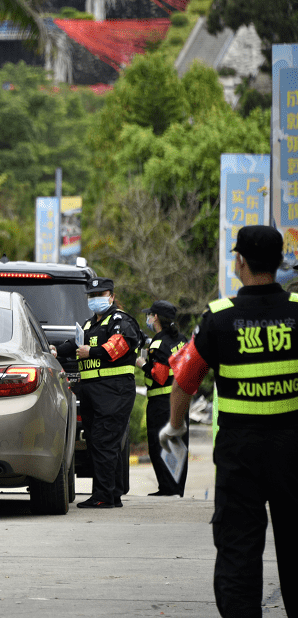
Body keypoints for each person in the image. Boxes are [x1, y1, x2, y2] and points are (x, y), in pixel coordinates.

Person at [162, 225, 297, 617]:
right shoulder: (296, 313)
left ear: (239, 261)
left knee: (239, 546)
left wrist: (175, 425)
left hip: (240, 454)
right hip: (293, 450)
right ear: (280, 263)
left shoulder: (219, 318)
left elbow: (185, 379)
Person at [56, 277, 141, 509]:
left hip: (114, 392)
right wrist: (55, 350)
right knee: (97, 443)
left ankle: (103, 496)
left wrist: (91, 351)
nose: (95, 300)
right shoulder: (88, 325)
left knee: (105, 442)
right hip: (94, 395)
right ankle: (110, 494)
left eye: (100, 296)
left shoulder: (120, 321)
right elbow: (74, 346)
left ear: (111, 297)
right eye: (91, 296)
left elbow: (119, 345)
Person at [134, 300, 187, 496]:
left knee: (159, 446)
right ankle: (177, 487)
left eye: (150, 314)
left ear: (155, 317)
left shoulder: (158, 343)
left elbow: (160, 375)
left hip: (161, 403)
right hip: (180, 400)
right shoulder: (181, 339)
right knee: (178, 445)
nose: (148, 318)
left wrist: (142, 363)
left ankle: (167, 488)